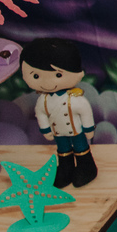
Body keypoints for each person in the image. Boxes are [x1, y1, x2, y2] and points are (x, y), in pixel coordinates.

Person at [21, 38, 97, 189]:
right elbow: (41, 114)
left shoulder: (74, 98)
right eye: (36, 76)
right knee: (63, 151)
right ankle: (65, 170)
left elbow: (85, 112)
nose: (47, 83)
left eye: (57, 75)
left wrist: (89, 129)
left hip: (76, 130)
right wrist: (46, 129)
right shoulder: (43, 101)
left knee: (81, 148)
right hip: (58, 132)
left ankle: (86, 168)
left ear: (78, 74)